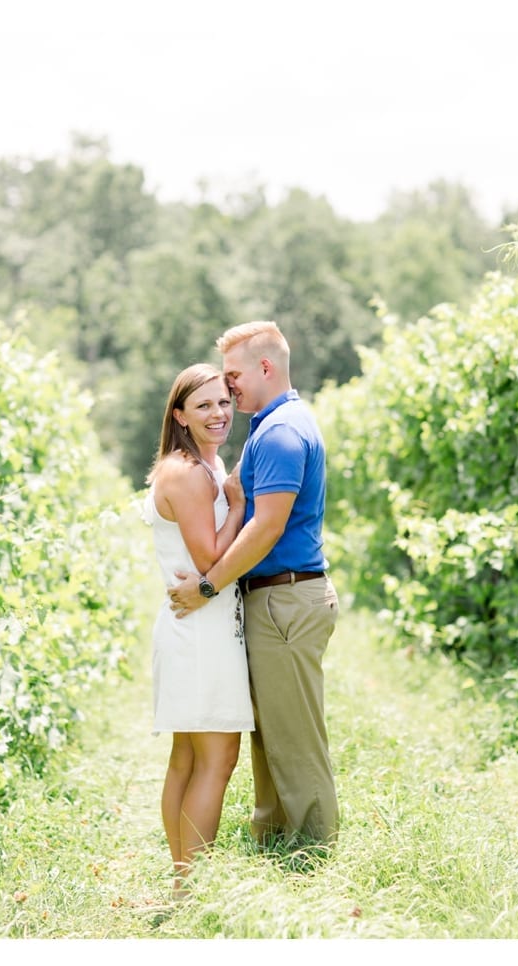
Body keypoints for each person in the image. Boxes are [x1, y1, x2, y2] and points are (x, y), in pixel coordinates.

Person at [167, 321, 340, 847]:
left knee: (295, 739)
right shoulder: (272, 425)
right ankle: (276, 839)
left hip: (286, 596)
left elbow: (267, 526)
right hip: (274, 598)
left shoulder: (283, 431)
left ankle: (312, 852)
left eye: (234, 375)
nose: (229, 387)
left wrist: (207, 587)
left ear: (265, 368)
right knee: (274, 735)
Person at [142, 363, 254, 898]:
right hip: (199, 630)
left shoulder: (200, 465)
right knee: (217, 757)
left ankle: (183, 882)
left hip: (197, 625)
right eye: (204, 405)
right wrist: (237, 507)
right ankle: (191, 885)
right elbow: (212, 555)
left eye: (224, 403)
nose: (219, 414)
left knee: (190, 756)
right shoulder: (188, 473)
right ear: (180, 414)